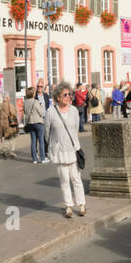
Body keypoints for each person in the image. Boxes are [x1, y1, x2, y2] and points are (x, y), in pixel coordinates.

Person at [46, 81, 86, 219]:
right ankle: (68, 206)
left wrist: (74, 143)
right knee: (64, 180)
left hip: (72, 149)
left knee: (76, 178)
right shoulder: (50, 112)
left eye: (69, 94)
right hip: (59, 150)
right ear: (58, 97)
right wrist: (53, 145)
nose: (68, 97)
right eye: (65, 95)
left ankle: (81, 204)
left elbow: (75, 129)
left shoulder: (74, 110)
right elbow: (47, 132)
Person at [24, 87, 47, 164]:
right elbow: (41, 113)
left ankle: (34, 159)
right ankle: (43, 158)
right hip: (38, 122)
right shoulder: (35, 101)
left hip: (30, 123)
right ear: (33, 93)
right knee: (41, 141)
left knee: (33, 141)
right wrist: (41, 107)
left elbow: (25, 112)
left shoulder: (25, 102)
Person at [0, 94, 20, 159]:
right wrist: (15, 111)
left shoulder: (0, 105)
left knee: (7, 137)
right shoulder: (9, 105)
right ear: (7, 98)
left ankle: (4, 150)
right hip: (10, 124)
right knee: (13, 136)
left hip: (3, 125)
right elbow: (14, 113)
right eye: (8, 97)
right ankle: (11, 151)